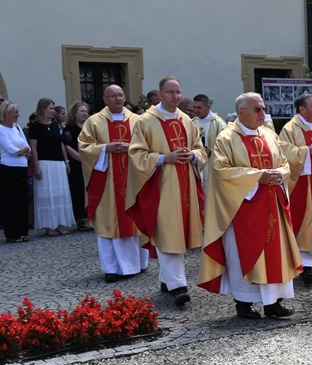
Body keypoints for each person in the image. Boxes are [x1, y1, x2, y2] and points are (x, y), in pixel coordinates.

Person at [198, 92, 301, 319]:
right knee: (242, 254)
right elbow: (222, 172)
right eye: (257, 110)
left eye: (263, 109)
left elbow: (284, 163)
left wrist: (278, 174)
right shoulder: (226, 138)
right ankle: (244, 304)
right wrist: (257, 177)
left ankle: (273, 302)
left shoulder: (269, 135)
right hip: (243, 209)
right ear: (241, 112)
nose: (262, 114)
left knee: (275, 253)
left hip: (272, 203)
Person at [127, 76, 208, 306]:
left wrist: (193, 156)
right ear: (160, 94)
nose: (175, 96)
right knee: (168, 232)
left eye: (178, 92)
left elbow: (200, 150)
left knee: (178, 233)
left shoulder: (187, 121)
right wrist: (165, 158)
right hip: (160, 187)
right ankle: (178, 286)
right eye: (170, 92)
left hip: (186, 187)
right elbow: (136, 155)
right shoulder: (146, 122)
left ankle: (166, 279)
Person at [79, 85, 149, 283]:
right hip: (107, 182)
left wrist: (132, 148)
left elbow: (148, 146)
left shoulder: (137, 120)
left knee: (134, 218)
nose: (118, 99)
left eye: (120, 95)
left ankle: (138, 264)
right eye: (113, 96)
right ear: (105, 99)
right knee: (108, 222)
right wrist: (105, 148)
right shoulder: (94, 122)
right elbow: (84, 147)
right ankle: (111, 268)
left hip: (132, 180)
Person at [279, 93, 312, 284]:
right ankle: (303, 264)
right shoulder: (290, 128)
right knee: (303, 219)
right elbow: (283, 150)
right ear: (302, 109)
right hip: (301, 182)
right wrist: (307, 151)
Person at [29, 98, 75, 236]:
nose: (53, 111)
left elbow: (60, 144)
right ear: (43, 109)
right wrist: (36, 167)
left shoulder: (55, 125)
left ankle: (60, 223)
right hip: (44, 163)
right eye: (51, 108)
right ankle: (49, 225)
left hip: (58, 162)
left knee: (60, 193)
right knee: (46, 194)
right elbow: (34, 148)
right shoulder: (35, 126)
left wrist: (66, 161)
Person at [0, 101, 31, 243]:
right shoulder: (1, 129)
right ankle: (12, 233)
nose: (18, 115)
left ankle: (23, 230)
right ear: (6, 113)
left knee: (22, 200)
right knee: (11, 201)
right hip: (9, 168)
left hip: (21, 167)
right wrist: (24, 150)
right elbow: (12, 150)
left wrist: (24, 150)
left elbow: (27, 147)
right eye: (15, 112)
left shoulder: (17, 127)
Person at [62, 101, 90, 231]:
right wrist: (81, 158)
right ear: (74, 114)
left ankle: (91, 217)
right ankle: (80, 219)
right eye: (82, 111)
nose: (85, 113)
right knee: (78, 190)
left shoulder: (90, 128)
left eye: (86, 111)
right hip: (76, 164)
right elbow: (67, 146)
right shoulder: (69, 129)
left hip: (90, 164)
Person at [192, 94, 227, 159]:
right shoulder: (192, 123)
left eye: (199, 107)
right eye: (194, 107)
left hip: (212, 164)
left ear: (208, 107)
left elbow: (226, 147)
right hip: (197, 164)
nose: (196, 110)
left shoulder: (219, 124)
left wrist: (211, 152)